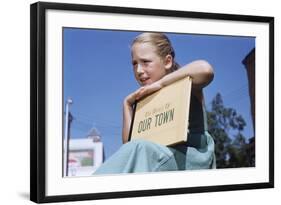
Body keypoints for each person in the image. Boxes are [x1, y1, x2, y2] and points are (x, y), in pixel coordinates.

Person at [94, 32, 216, 174]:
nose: (139, 70)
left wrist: (161, 84)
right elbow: (129, 150)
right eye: (134, 64)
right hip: (160, 159)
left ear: (167, 61)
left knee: (140, 148)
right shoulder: (144, 98)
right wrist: (126, 105)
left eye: (145, 62)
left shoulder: (184, 82)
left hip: (190, 159)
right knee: (136, 149)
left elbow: (205, 69)